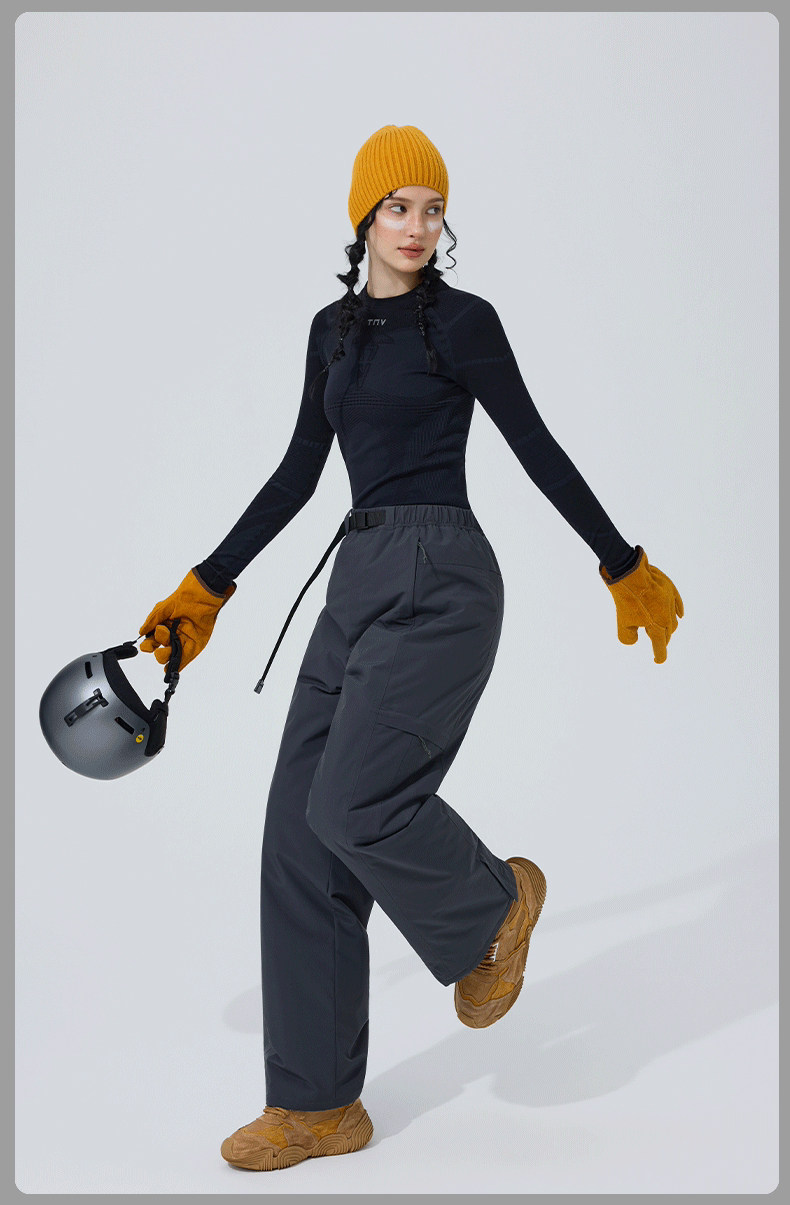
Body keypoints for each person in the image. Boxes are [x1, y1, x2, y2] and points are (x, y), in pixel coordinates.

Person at [138, 124, 684, 1174]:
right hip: (357, 573)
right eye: (398, 207)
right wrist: (207, 586)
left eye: (432, 209)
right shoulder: (331, 333)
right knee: (300, 835)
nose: (416, 226)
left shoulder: (463, 324)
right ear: (364, 216)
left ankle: (494, 905)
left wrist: (620, 562)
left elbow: (534, 442)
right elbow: (298, 470)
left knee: (355, 802)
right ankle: (317, 1106)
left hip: (442, 574)